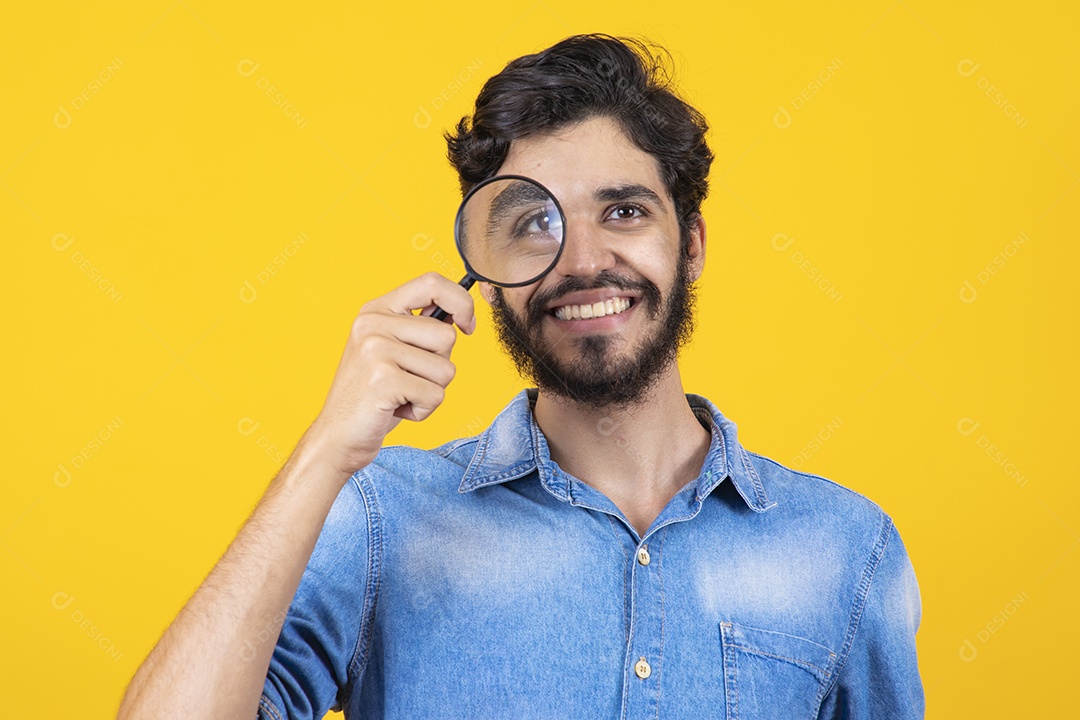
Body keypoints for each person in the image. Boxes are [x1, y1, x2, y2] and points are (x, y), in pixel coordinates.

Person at [118, 34, 924, 719]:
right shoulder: (377, 520)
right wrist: (326, 449)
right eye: (535, 224)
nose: (581, 261)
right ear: (490, 269)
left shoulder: (847, 549)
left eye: (624, 211)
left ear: (693, 244)